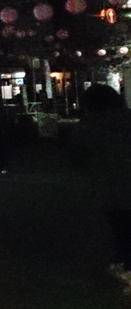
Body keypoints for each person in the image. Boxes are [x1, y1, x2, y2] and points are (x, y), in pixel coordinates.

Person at [70, 83, 131, 288]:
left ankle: (124, 264)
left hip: (109, 185)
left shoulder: (87, 125)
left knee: (119, 226)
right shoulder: (129, 118)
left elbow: (76, 157)